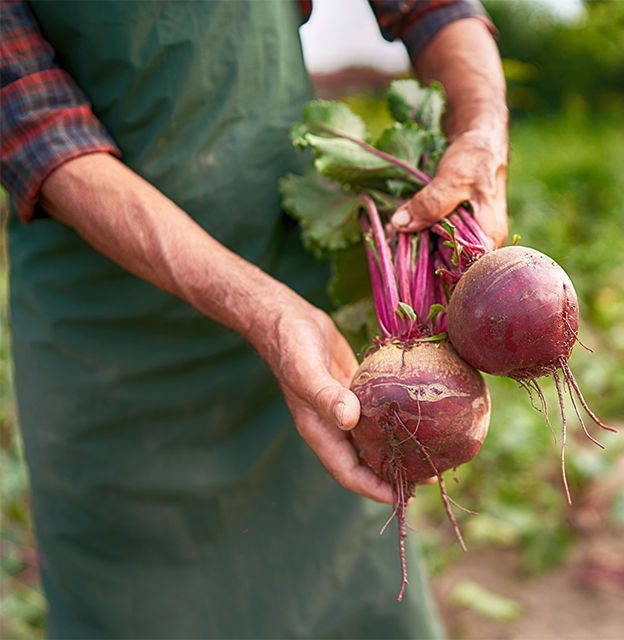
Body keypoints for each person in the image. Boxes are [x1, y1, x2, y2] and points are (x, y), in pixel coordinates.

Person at [0, 0, 508, 637]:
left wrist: (483, 126)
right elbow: (41, 136)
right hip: (112, 327)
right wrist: (262, 311)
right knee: (145, 605)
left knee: (342, 581)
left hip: (295, 279)